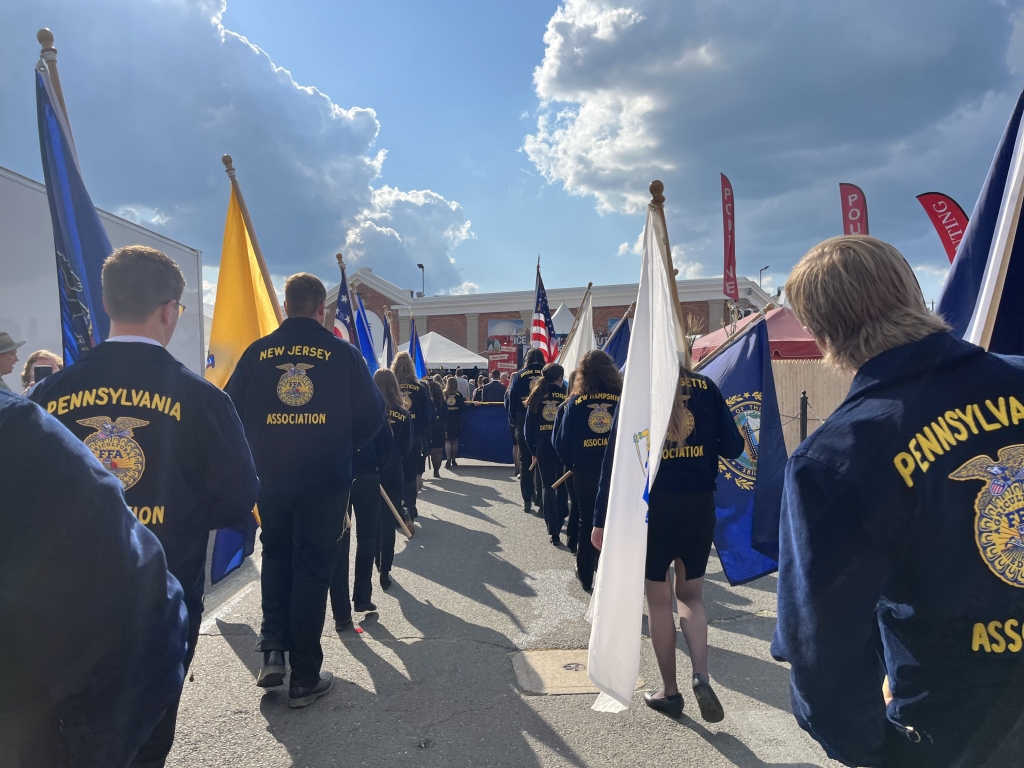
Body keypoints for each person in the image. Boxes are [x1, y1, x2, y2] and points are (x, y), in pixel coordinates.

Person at [769, 236, 1024, 767]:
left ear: (820, 333)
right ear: (912, 292)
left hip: (956, 727)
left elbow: (821, 649)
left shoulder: (839, 455)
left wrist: (872, 749)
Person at [30, 245, 259, 765]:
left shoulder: (47, 396)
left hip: (60, 607)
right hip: (159, 599)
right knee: (147, 741)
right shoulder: (202, 399)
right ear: (168, 310)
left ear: (109, 305)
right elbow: (240, 497)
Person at [1, 389, 188, 768]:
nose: (16, 357)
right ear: (167, 322)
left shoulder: (40, 401)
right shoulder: (17, 425)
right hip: (58, 705)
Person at [226, 272, 384, 709]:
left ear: (284, 304)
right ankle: (305, 677)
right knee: (314, 569)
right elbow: (374, 417)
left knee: (275, 556)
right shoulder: (343, 354)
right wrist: (340, 445)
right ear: (321, 309)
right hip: (325, 480)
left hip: (271, 480)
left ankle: (273, 650)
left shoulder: (257, 353)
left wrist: (261, 444)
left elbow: (228, 411)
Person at [593, 358, 743, 724]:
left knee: (658, 602)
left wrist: (600, 520)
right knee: (691, 597)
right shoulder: (707, 388)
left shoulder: (640, 393)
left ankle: (669, 691)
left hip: (654, 508)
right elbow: (735, 447)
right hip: (698, 505)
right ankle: (701, 676)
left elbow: (613, 462)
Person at [552, 350, 621, 591]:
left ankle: (585, 575)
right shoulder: (623, 400)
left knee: (585, 519)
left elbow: (559, 440)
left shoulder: (573, 403)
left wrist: (573, 463)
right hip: (617, 472)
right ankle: (608, 572)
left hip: (585, 471)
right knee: (615, 523)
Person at [329, 413, 393, 630]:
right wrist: (375, 469)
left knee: (340, 542)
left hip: (338, 478)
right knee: (366, 538)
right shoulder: (371, 404)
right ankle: (362, 597)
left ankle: (341, 613)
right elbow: (387, 446)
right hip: (366, 475)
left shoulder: (331, 402)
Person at [372, 368, 414, 590]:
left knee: (373, 520)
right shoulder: (403, 413)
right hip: (393, 470)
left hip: (371, 471)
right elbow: (407, 447)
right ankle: (385, 568)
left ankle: (376, 560)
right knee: (388, 520)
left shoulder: (368, 412)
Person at [525, 363, 569, 546]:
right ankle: (560, 518)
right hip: (562, 447)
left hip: (543, 448)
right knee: (562, 486)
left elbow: (528, 428)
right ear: (559, 378)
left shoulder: (536, 395)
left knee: (547, 487)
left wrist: (533, 450)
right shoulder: (566, 395)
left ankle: (553, 530)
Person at [391, 352, 432, 519]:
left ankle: (395, 508)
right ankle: (410, 508)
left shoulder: (389, 387)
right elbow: (427, 416)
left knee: (394, 473)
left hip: (393, 435)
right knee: (411, 474)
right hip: (414, 435)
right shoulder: (421, 388)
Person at [506, 348, 546, 512]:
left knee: (525, 460)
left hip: (523, 419)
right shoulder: (547, 374)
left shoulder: (518, 376)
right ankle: (542, 499)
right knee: (543, 460)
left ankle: (527, 498)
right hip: (544, 419)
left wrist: (513, 421)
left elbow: (510, 401)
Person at [427, 376, 447, 477]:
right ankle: (436, 471)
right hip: (439, 427)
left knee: (423, 451)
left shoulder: (427, 402)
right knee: (437, 450)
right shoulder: (443, 402)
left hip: (428, 426)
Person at [443, 376, 465, 468]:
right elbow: (463, 407)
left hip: (446, 419)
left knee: (447, 440)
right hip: (456, 419)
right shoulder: (459, 395)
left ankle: (448, 458)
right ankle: (453, 460)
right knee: (455, 439)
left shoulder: (443, 394)